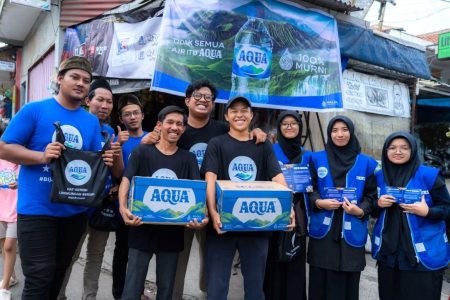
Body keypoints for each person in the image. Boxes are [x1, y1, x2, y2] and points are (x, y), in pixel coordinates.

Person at [0, 56, 116, 299]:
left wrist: (105, 158)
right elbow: (4, 148)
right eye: (74, 77)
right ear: (59, 79)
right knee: (39, 278)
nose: (80, 83)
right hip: (36, 211)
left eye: (86, 80)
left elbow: (93, 158)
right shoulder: (35, 110)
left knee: (57, 276)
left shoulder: (91, 121)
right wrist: (42, 156)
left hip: (73, 214)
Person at [141, 80, 266, 299]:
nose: (203, 101)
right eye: (198, 96)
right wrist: (146, 139)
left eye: (208, 98)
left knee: (213, 259)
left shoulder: (220, 129)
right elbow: (154, 150)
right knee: (177, 257)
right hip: (181, 203)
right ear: (187, 101)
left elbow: (241, 130)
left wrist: (256, 130)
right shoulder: (175, 128)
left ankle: (208, 293)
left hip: (214, 202)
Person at [201, 96, 293, 300]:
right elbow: (210, 180)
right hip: (222, 225)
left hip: (256, 225)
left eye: (244, 110)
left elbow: (278, 177)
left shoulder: (263, 145)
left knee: (255, 288)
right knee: (216, 287)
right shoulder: (217, 144)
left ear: (251, 116)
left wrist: (289, 208)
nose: (239, 114)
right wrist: (213, 212)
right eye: (234, 111)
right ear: (226, 116)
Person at [119, 105, 206, 300]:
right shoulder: (142, 151)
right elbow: (127, 180)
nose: (175, 127)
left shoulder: (188, 158)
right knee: (132, 289)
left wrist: (201, 217)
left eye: (179, 124)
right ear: (159, 125)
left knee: (166, 290)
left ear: (183, 129)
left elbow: (196, 191)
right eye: (170, 122)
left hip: (172, 234)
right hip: (141, 228)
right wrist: (123, 208)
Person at [57, 78, 122, 300]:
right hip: (75, 204)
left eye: (109, 102)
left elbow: (116, 171)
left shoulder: (112, 132)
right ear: (88, 100)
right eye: (100, 100)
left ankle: (89, 297)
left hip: (102, 204)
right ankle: (59, 294)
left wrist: (117, 151)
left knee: (96, 256)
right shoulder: (76, 126)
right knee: (69, 255)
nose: (104, 106)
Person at [372, 131, 450, 300]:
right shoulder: (379, 177)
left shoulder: (429, 176)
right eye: (392, 148)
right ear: (385, 151)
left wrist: (427, 211)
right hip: (389, 257)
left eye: (404, 148)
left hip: (422, 257)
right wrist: (378, 204)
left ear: (413, 150)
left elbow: (447, 208)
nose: (397, 151)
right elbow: (371, 209)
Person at [307, 115, 378, 300]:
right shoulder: (316, 159)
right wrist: (318, 202)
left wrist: (360, 210)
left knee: (347, 285)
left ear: (352, 132)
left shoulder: (366, 163)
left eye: (345, 129)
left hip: (351, 232)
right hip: (323, 234)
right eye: (335, 130)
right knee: (319, 284)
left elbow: (372, 196)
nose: (340, 134)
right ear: (329, 133)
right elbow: (309, 189)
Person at [264, 111, 310, 300]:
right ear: (279, 128)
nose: (289, 127)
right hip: (273, 211)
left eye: (293, 123)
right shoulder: (270, 150)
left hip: (298, 215)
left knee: (295, 258)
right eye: (285, 124)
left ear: (300, 127)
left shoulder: (307, 155)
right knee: (272, 260)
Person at [112, 93, 150, 300]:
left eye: (136, 112)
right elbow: (117, 174)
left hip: (148, 206)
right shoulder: (119, 140)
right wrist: (117, 146)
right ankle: (119, 293)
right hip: (124, 205)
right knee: (122, 252)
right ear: (121, 119)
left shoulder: (154, 137)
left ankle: (138, 292)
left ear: (143, 115)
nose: (132, 117)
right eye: (127, 114)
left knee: (142, 253)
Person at [0, 125, 19, 300]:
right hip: (0, 208)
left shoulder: (20, 160)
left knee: (9, 246)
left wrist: (19, 183)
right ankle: (11, 277)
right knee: (2, 245)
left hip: (15, 210)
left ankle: (4, 287)